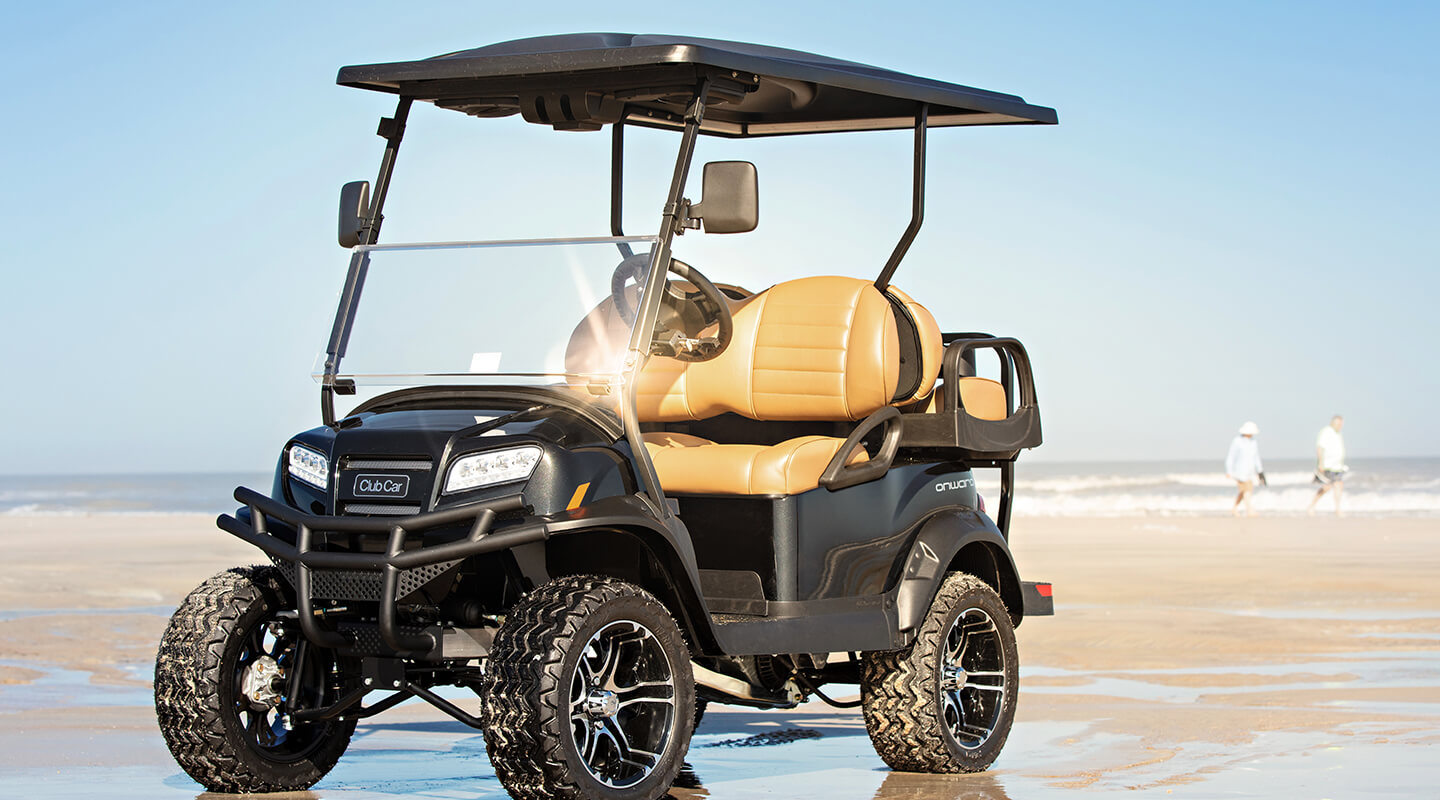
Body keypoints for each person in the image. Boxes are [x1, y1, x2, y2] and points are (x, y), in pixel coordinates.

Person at [1308, 415, 1348, 516]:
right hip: (1327, 465)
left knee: (1339, 485)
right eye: (1339, 424)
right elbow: (1320, 447)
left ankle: (1338, 509)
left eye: (1341, 424)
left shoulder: (1338, 433)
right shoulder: (1326, 432)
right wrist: (1320, 463)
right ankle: (1311, 505)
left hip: (1337, 466)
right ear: (1333, 423)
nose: (1341, 426)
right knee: (1326, 487)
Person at [1225, 421, 1265, 517]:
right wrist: (1229, 471)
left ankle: (1234, 508)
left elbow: (1256, 457)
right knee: (1246, 491)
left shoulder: (1253, 442)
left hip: (1250, 472)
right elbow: (1231, 456)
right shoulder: (1237, 441)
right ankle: (1250, 510)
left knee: (1245, 492)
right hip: (1239, 472)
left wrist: (1260, 471)